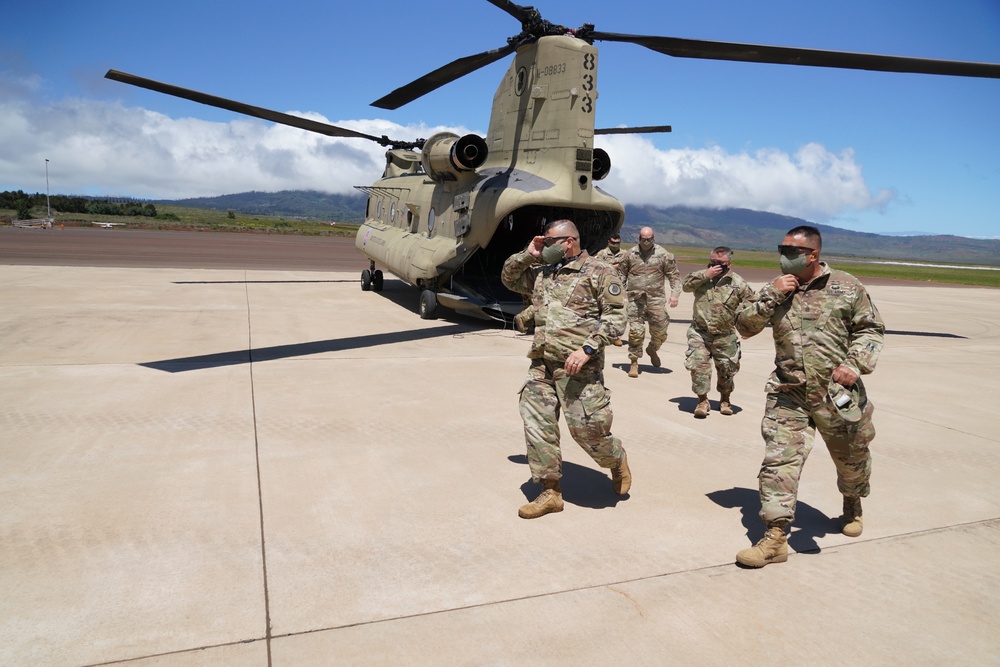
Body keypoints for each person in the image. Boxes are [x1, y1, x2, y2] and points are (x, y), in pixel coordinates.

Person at [734, 226, 884, 567]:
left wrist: (854, 363)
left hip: (837, 395)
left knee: (852, 462)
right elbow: (744, 326)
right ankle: (775, 537)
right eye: (781, 248)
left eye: (791, 250)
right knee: (779, 462)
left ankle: (852, 501)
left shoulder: (846, 286)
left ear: (812, 255)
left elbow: (871, 328)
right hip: (790, 393)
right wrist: (771, 294)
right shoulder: (776, 288)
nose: (784, 255)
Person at [501, 219, 632, 519]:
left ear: (568, 242)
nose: (544, 247)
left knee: (588, 433)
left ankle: (615, 459)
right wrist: (528, 253)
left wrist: (587, 348)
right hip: (542, 364)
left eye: (548, 242)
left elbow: (616, 319)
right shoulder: (542, 272)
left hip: (579, 370)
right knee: (538, 426)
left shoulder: (600, 272)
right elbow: (508, 278)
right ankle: (551, 492)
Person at [681, 246, 756, 418]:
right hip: (700, 332)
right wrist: (705, 275)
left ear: (728, 263)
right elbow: (685, 286)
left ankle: (725, 399)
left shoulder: (737, 283)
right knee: (699, 368)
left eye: (720, 263)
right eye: (713, 262)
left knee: (726, 371)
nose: (715, 265)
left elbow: (752, 302)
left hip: (725, 335)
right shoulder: (702, 276)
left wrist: (747, 325)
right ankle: (702, 401)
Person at [618, 227, 681, 377]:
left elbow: (674, 276)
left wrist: (675, 294)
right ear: (639, 238)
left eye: (649, 239)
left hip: (656, 299)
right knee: (635, 332)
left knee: (660, 330)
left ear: (654, 238)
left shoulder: (663, 255)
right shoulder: (629, 254)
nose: (646, 242)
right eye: (643, 239)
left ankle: (653, 348)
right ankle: (634, 362)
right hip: (636, 300)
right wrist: (620, 295)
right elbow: (621, 275)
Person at [594, 232, 627, 345]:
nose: (615, 245)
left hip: (620, 288)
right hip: (604, 287)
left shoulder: (624, 254)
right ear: (609, 242)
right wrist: (615, 266)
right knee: (601, 312)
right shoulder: (602, 254)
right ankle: (599, 334)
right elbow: (597, 267)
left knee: (618, 312)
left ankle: (615, 336)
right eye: (613, 243)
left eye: (617, 243)